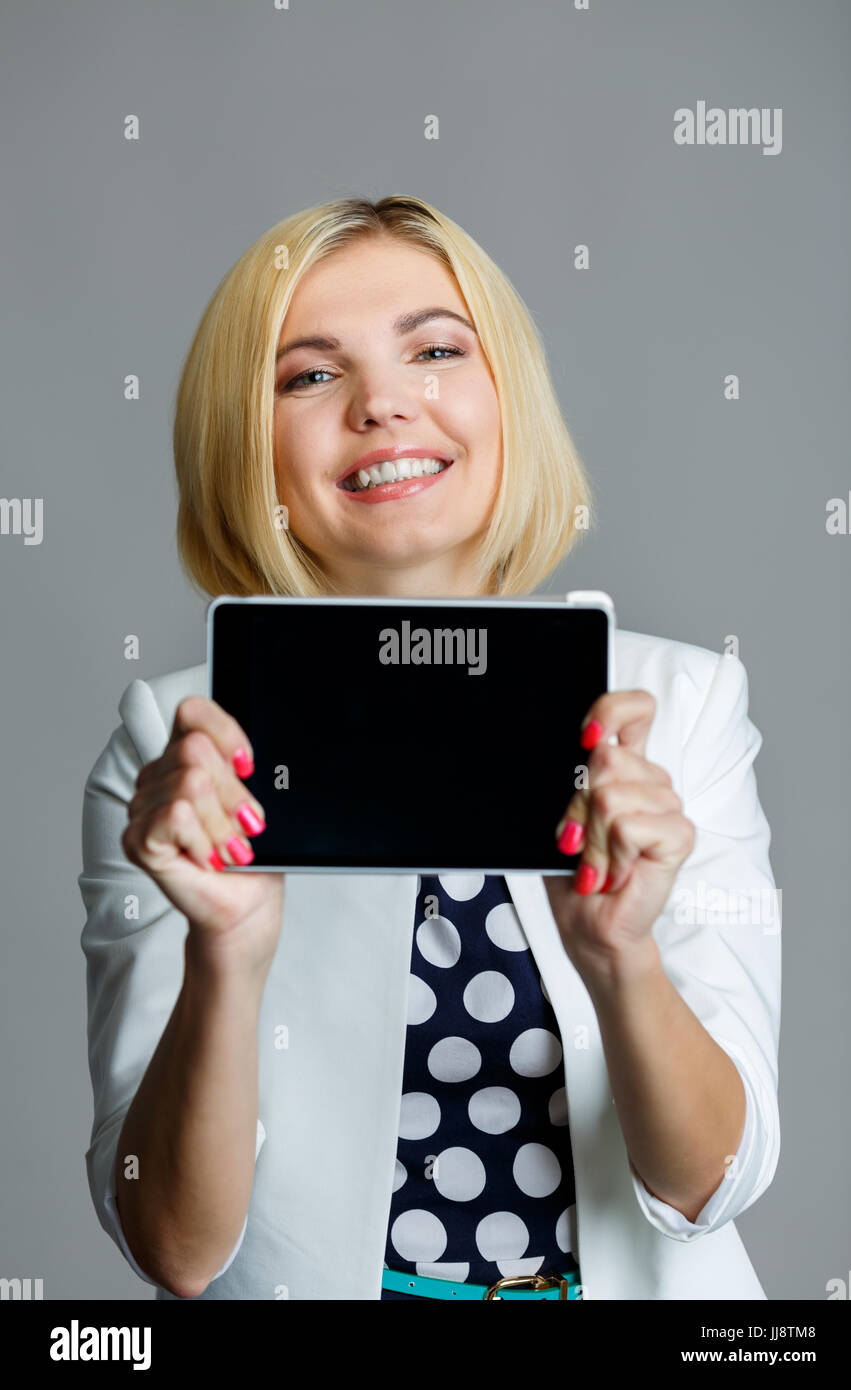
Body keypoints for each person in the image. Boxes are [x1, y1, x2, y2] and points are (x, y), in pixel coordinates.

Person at [79, 194, 781, 1301]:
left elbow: (712, 1185)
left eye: (436, 350)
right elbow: (173, 1248)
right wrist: (225, 956)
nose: (384, 405)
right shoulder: (180, 750)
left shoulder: (674, 704)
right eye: (309, 374)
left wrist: (622, 960)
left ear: (506, 397)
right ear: (247, 444)